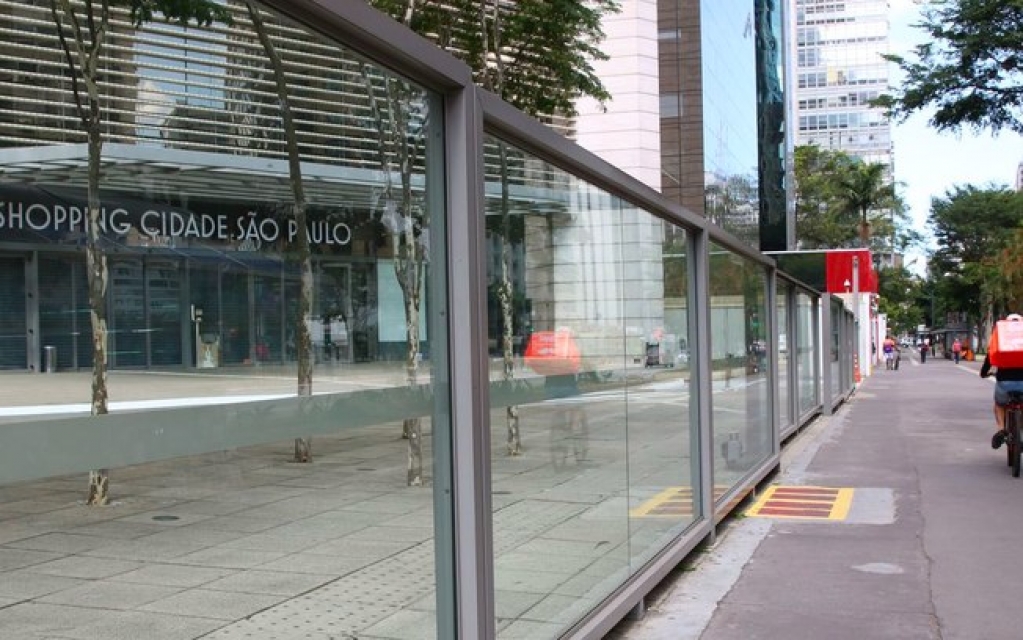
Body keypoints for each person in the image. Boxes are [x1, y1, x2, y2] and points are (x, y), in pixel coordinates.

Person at [982, 314, 1023, 449]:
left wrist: (984, 373)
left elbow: (990, 357)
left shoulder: (1001, 339)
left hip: (1004, 383)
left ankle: (1001, 429)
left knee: (999, 405)